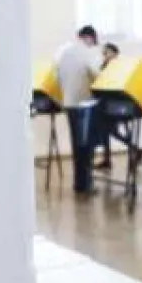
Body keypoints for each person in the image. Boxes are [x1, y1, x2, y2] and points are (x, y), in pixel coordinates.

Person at [55, 25, 104, 193]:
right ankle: (85, 184)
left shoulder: (64, 53)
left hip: (69, 103)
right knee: (86, 146)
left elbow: (57, 77)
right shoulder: (89, 52)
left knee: (77, 144)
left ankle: (79, 183)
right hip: (85, 104)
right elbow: (98, 74)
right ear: (90, 38)